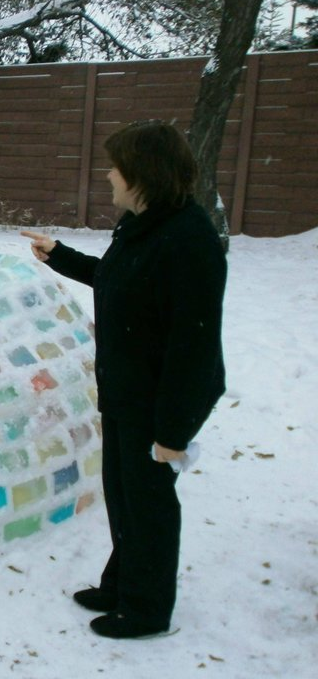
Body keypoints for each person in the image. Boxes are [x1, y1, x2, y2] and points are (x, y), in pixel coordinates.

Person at [21, 120, 226, 639]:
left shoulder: (189, 240)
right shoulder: (145, 225)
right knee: (124, 496)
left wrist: (172, 432)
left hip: (158, 402)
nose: (108, 176)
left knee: (150, 505)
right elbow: (121, 281)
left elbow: (195, 348)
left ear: (142, 174)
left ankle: (148, 608)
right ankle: (121, 584)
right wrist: (59, 255)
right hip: (125, 392)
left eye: (116, 167)